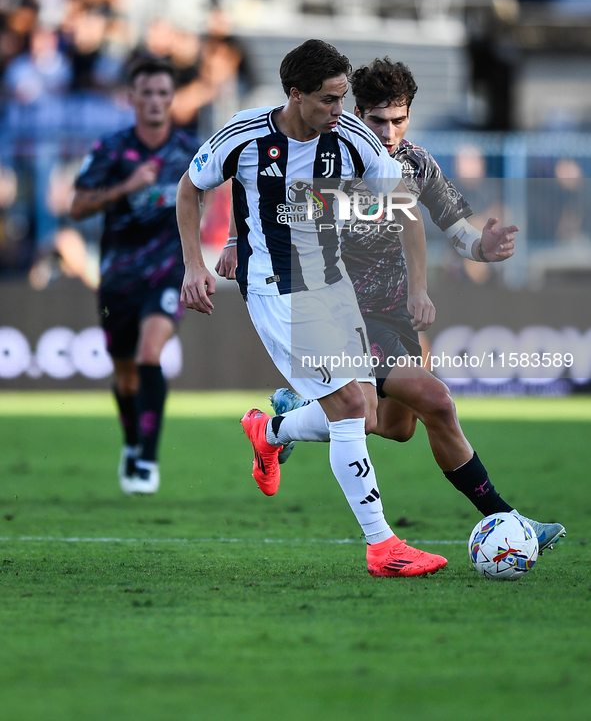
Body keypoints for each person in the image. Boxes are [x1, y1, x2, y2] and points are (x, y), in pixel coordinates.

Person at [217, 57, 566, 554]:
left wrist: (480, 247)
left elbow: (453, 224)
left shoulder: (417, 163)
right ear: (356, 112)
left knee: (394, 426)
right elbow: (265, 193)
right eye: (376, 120)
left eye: (397, 120)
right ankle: (509, 521)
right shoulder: (331, 152)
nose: (386, 131)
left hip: (390, 311)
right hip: (339, 311)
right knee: (437, 403)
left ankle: (277, 426)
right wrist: (235, 238)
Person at [177, 38, 448, 578]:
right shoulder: (244, 134)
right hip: (275, 287)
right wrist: (194, 265)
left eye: (343, 98)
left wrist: (418, 287)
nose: (340, 111)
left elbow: (406, 211)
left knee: (367, 413)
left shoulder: (350, 140)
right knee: (349, 408)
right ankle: (382, 546)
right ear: (295, 95)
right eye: (329, 100)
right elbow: (190, 189)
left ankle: (270, 432)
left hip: (331, 284)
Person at [70, 58, 196, 495]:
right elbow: (77, 207)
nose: (156, 101)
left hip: (166, 271)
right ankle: (131, 442)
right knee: (125, 374)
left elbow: (219, 191)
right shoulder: (111, 149)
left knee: (149, 354)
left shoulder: (189, 151)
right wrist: (126, 188)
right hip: (117, 278)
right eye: (148, 93)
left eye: (164, 93)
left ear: (172, 98)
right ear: (132, 98)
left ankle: (146, 459)